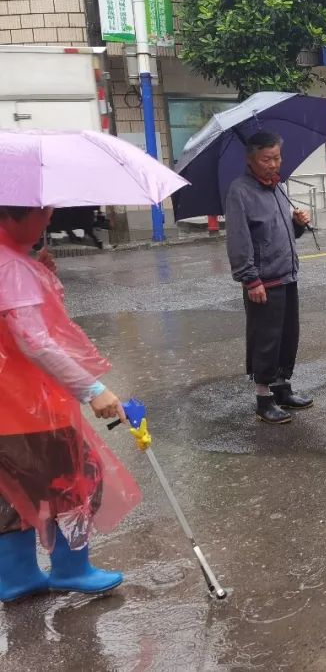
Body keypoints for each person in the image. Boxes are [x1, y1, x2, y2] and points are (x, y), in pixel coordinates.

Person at [0, 205, 141, 602]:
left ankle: (16, 577)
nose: (48, 220)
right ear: (12, 214)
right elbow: (36, 342)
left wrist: (39, 273)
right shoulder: (10, 267)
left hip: (7, 406)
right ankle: (71, 568)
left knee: (11, 490)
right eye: (42, 213)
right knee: (73, 481)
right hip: (31, 406)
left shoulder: (11, 261)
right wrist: (92, 390)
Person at [225, 131, 314, 425]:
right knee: (265, 339)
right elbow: (239, 240)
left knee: (288, 336)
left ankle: (282, 388)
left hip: (287, 275)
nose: (274, 164)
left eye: (277, 157)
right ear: (251, 159)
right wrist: (250, 280)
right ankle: (264, 398)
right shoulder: (240, 191)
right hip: (263, 281)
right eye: (267, 159)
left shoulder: (278, 187)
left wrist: (297, 224)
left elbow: (280, 232)